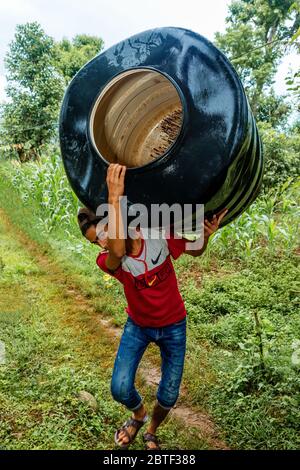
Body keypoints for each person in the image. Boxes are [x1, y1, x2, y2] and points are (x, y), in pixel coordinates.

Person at [78, 163, 228, 450]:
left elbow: (195, 250)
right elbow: (118, 250)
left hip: (174, 325)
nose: (102, 242)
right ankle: (138, 416)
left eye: (103, 232)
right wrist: (114, 196)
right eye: (96, 241)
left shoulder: (154, 231)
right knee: (120, 388)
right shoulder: (108, 261)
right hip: (139, 326)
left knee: (169, 395)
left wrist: (207, 235)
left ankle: (151, 430)